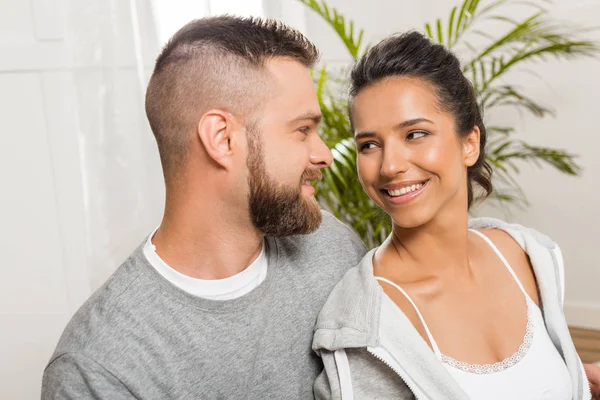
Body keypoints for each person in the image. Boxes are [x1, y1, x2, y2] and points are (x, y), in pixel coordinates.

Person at [42, 16, 366, 399]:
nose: (324, 154)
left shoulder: (331, 248)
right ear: (222, 140)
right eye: (302, 130)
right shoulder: (99, 367)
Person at [313, 31, 597, 399]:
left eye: (415, 134)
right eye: (369, 144)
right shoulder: (362, 329)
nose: (390, 165)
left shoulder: (529, 257)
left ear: (469, 143)